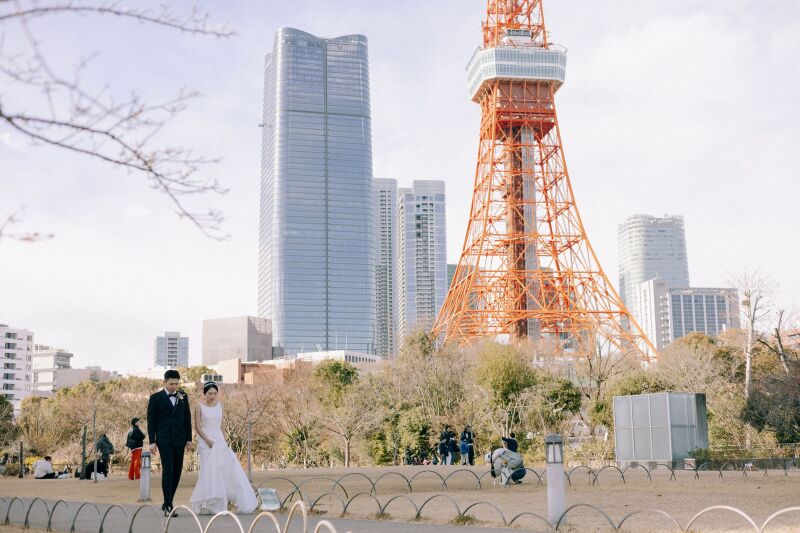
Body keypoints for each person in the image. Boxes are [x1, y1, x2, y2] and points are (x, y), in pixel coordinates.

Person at [189, 382, 257, 514]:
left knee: (224, 470)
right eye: (210, 393)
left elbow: (222, 425)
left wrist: (224, 441)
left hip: (219, 440)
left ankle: (221, 503)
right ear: (204, 394)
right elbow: (198, 426)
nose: (212, 396)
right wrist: (208, 441)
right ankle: (210, 503)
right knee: (208, 472)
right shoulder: (199, 407)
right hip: (205, 442)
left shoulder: (220, 406)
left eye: (215, 393)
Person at [147, 369, 193, 517]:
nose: (174, 386)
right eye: (171, 384)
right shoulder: (155, 398)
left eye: (176, 384)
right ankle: (168, 505)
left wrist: (189, 439)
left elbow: (187, 418)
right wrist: (152, 441)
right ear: (165, 382)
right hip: (164, 439)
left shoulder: (183, 396)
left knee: (177, 472)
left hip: (180, 438)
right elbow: (151, 421)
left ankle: (168, 502)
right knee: (168, 471)